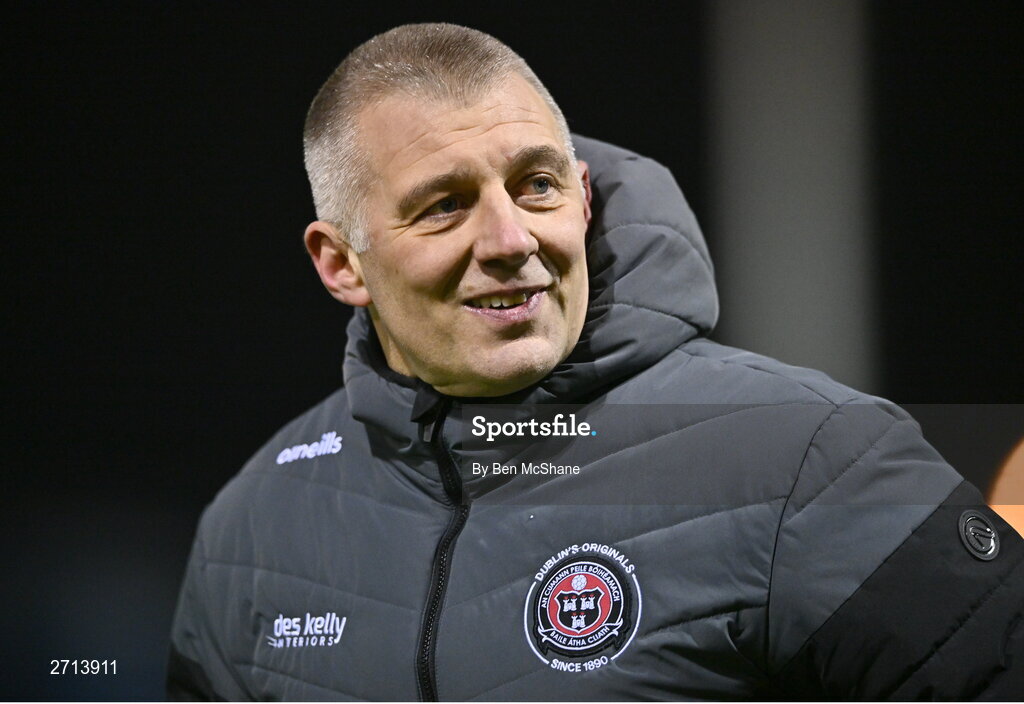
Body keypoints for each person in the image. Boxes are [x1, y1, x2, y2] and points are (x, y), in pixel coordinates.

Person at [168, 23, 1023, 701]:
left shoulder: (815, 460)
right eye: (444, 206)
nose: (509, 240)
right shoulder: (254, 527)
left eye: (535, 185)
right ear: (340, 263)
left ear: (582, 197)